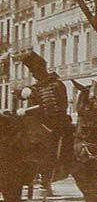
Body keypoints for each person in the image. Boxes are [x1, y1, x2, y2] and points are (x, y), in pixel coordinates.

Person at [17, 50, 72, 192]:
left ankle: (45, 180)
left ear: (41, 69)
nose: (33, 74)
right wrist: (23, 93)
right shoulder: (37, 87)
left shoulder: (56, 85)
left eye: (35, 71)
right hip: (36, 123)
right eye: (32, 71)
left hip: (54, 123)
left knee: (46, 146)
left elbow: (52, 107)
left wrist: (27, 111)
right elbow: (24, 95)